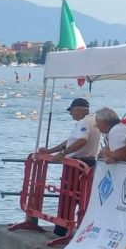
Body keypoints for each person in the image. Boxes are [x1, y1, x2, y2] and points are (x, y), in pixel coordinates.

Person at [20, 97, 95, 235]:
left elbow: (82, 140)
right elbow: (71, 141)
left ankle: (61, 230)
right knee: (82, 198)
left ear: (78, 109)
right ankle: (78, 228)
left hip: (77, 164)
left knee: (68, 197)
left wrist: (62, 154)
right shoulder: (93, 120)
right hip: (87, 163)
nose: (71, 114)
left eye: (71, 111)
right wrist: (51, 151)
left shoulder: (84, 122)